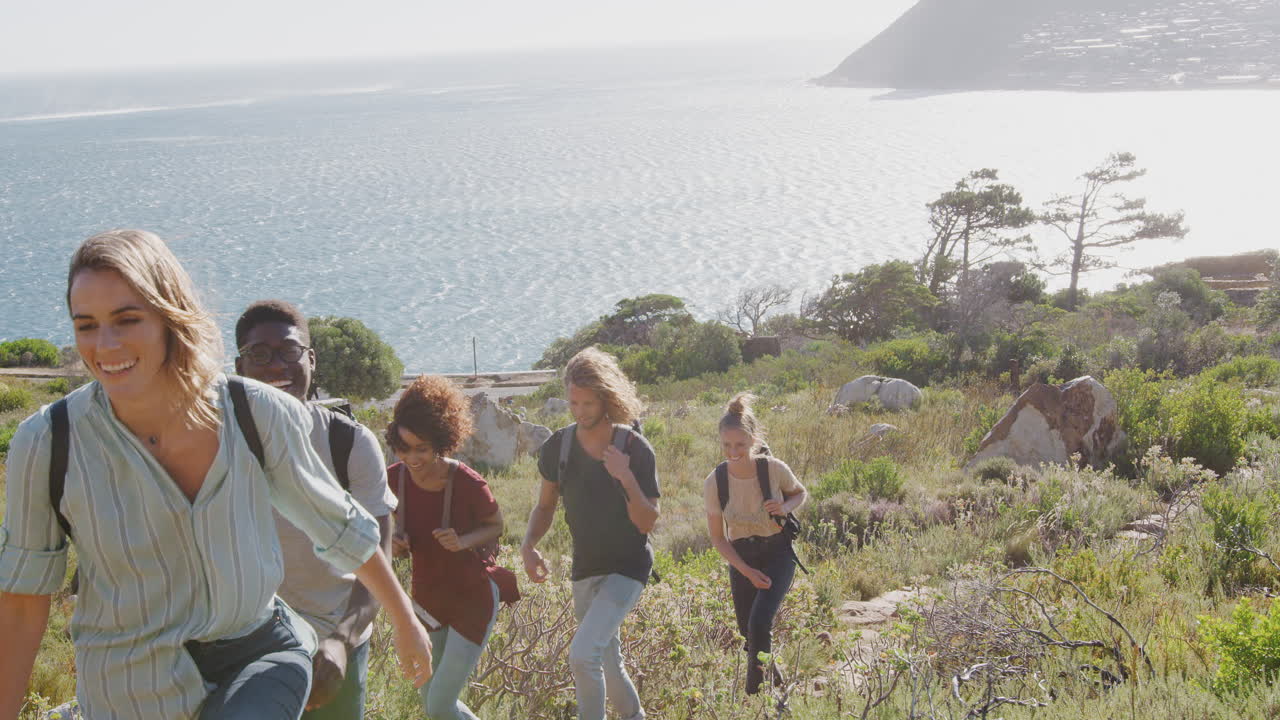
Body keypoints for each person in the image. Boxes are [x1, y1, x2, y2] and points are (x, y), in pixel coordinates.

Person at [0, 230, 432, 720]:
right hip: (129, 692)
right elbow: (21, 602)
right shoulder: (48, 442)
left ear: (170, 316)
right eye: (86, 325)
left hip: (261, 657)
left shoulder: (255, 412)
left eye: (127, 319)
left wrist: (402, 619)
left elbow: (340, 528)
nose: (105, 345)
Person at [234, 300, 397, 719]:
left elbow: (379, 556)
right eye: (259, 354)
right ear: (239, 366)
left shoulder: (351, 444)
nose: (275, 366)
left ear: (311, 359)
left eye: (289, 351)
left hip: (333, 650)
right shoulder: (218, 446)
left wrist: (342, 640)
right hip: (245, 646)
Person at [521, 347, 659, 720]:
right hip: (585, 569)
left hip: (627, 568)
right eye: (573, 403)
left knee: (583, 656)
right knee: (608, 660)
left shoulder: (633, 447)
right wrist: (529, 544)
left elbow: (647, 521)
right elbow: (546, 505)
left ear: (607, 399)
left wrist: (625, 476)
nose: (579, 411)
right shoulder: (559, 447)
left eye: (587, 403)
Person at [386, 375, 513, 719]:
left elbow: (496, 526)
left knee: (440, 704)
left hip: (472, 600)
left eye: (421, 448)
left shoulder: (469, 482)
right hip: (426, 601)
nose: (411, 458)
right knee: (432, 706)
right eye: (403, 446)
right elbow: (383, 532)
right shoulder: (392, 479)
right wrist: (395, 545)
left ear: (442, 442)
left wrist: (462, 541)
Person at [703, 393, 807, 695]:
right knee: (746, 632)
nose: (733, 452)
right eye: (726, 445)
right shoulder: (715, 481)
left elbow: (799, 493)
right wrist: (746, 571)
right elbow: (718, 539)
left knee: (760, 623)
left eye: (740, 445)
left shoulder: (772, 468)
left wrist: (784, 508)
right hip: (742, 557)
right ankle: (777, 684)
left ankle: (755, 698)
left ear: (754, 440)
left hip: (777, 552)